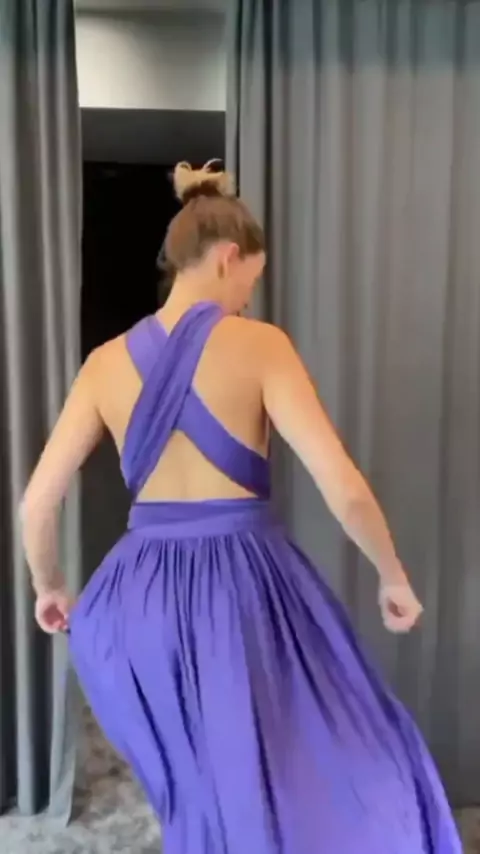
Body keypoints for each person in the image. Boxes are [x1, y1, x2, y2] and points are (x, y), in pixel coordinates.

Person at [21, 161, 461, 853]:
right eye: (252, 279)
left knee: (201, 788)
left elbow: (37, 503)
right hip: (240, 589)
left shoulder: (104, 363)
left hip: (136, 603)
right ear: (229, 257)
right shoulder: (261, 346)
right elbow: (343, 486)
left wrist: (48, 586)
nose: (249, 296)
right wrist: (393, 575)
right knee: (320, 760)